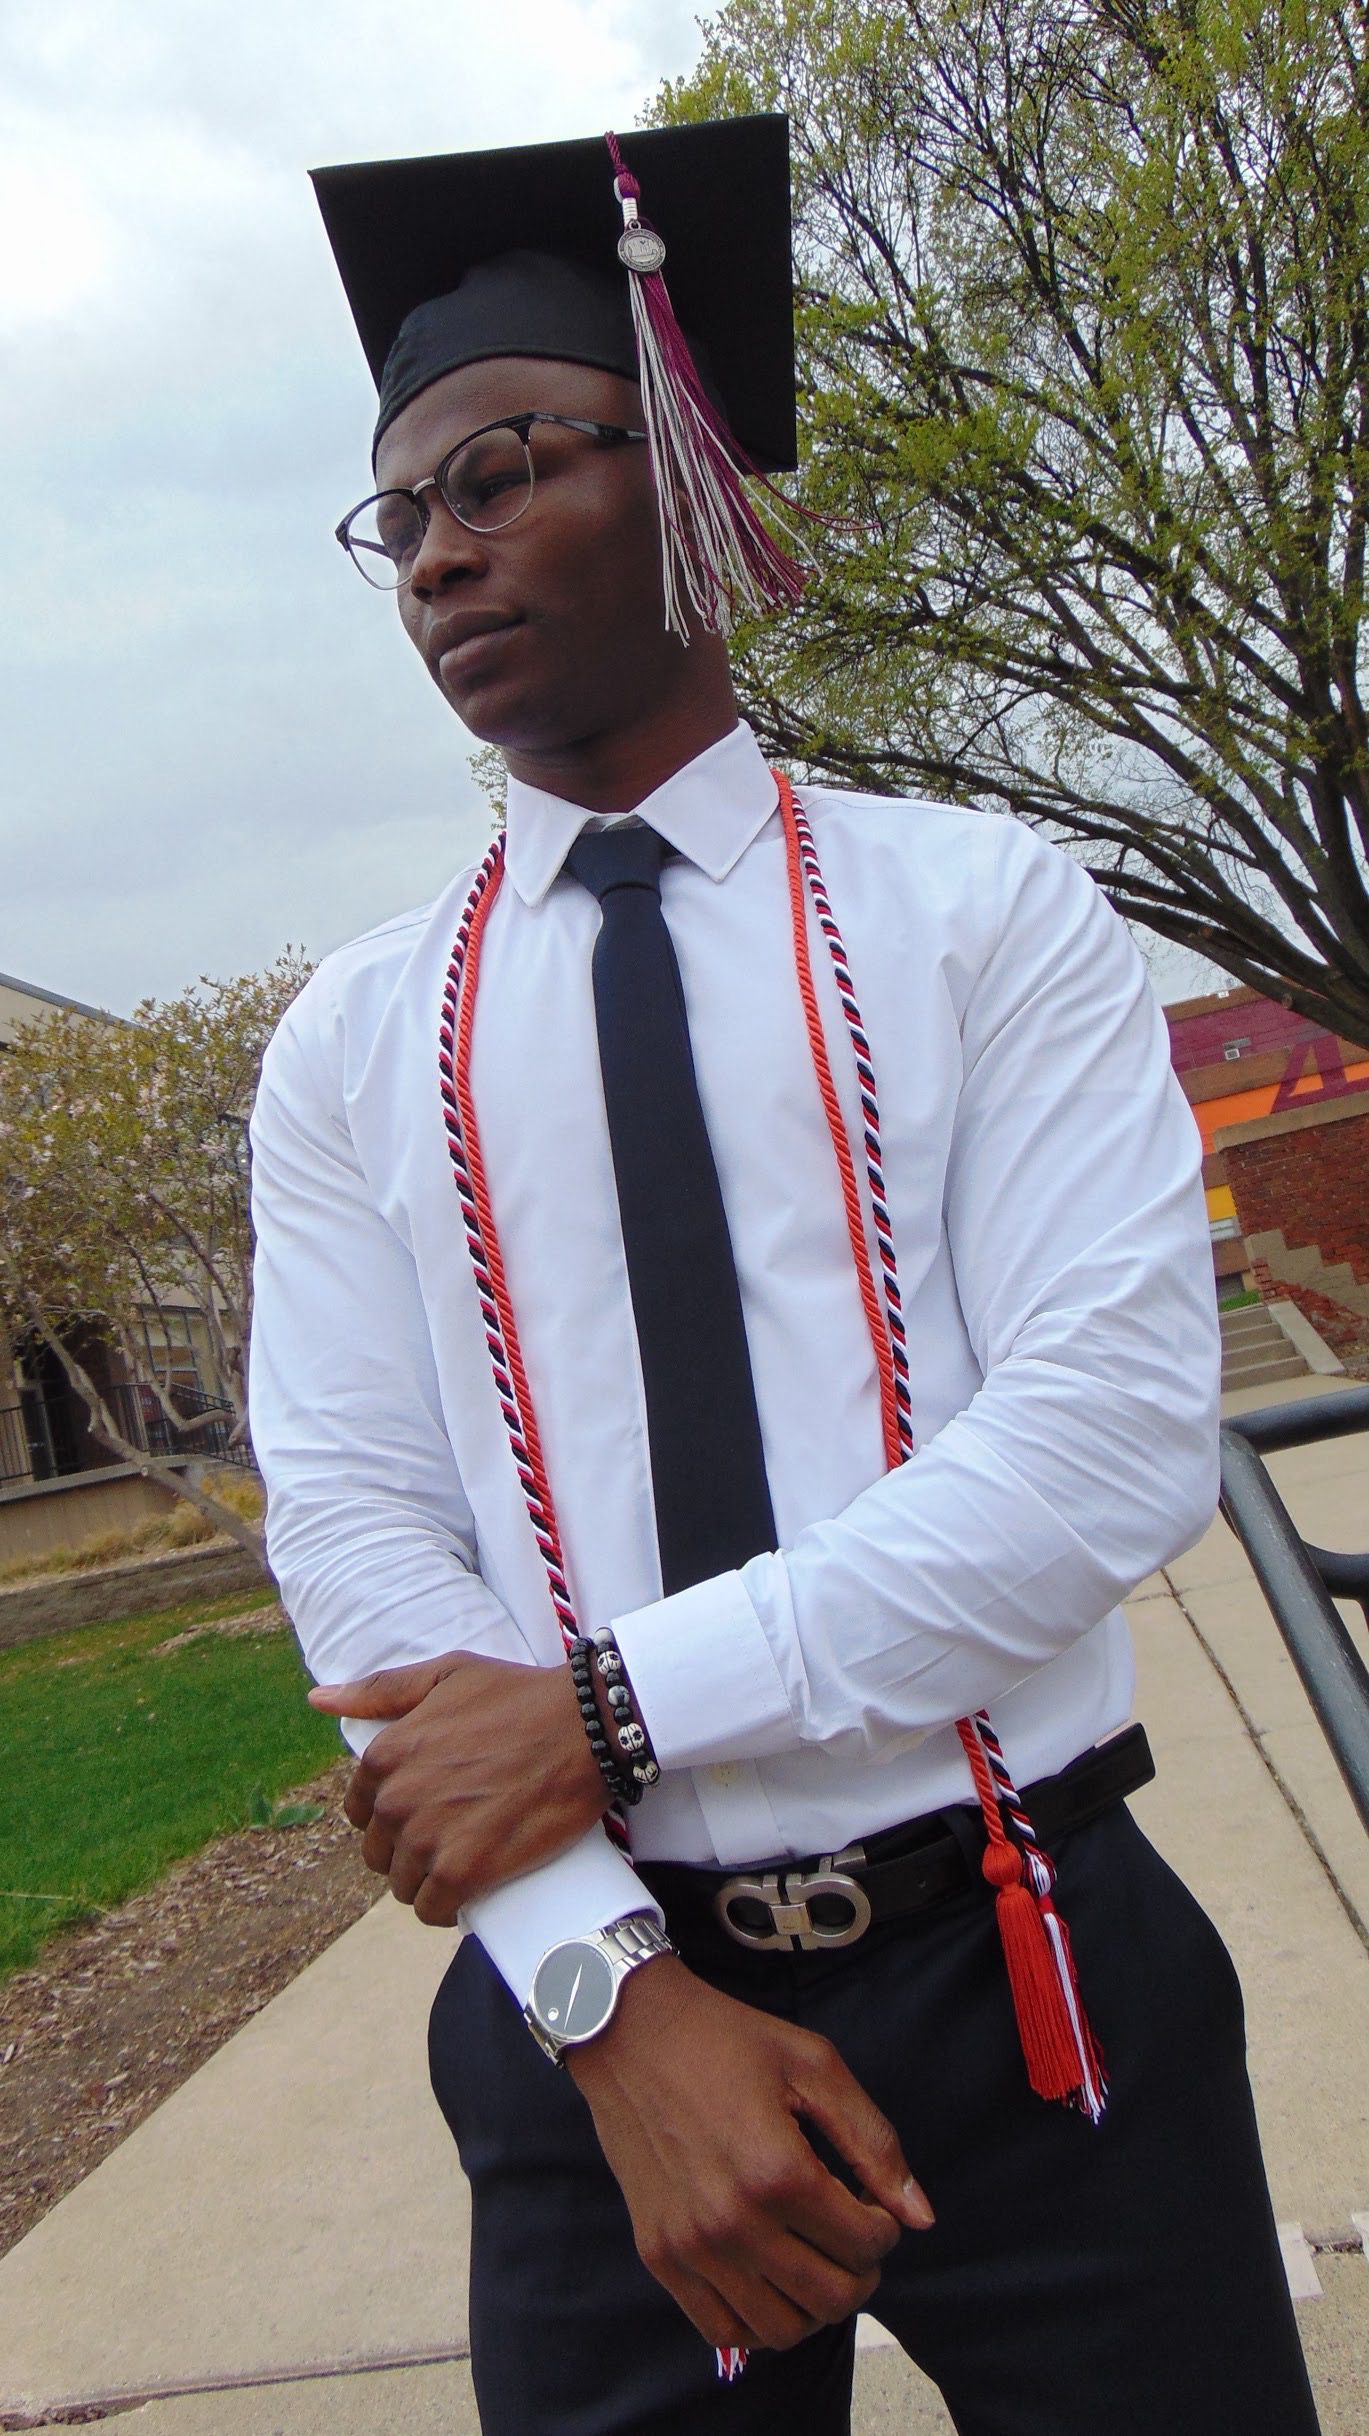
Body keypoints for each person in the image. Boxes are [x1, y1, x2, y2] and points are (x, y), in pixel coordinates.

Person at [248, 114, 1322, 2436]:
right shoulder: (347, 1045)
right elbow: (350, 1521)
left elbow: (1101, 1436)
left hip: (1033, 1971)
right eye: (402, 514)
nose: (442, 550)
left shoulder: (983, 915)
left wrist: (614, 1699)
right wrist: (609, 2002)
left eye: (507, 464)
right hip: (592, 2012)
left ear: (694, 467)